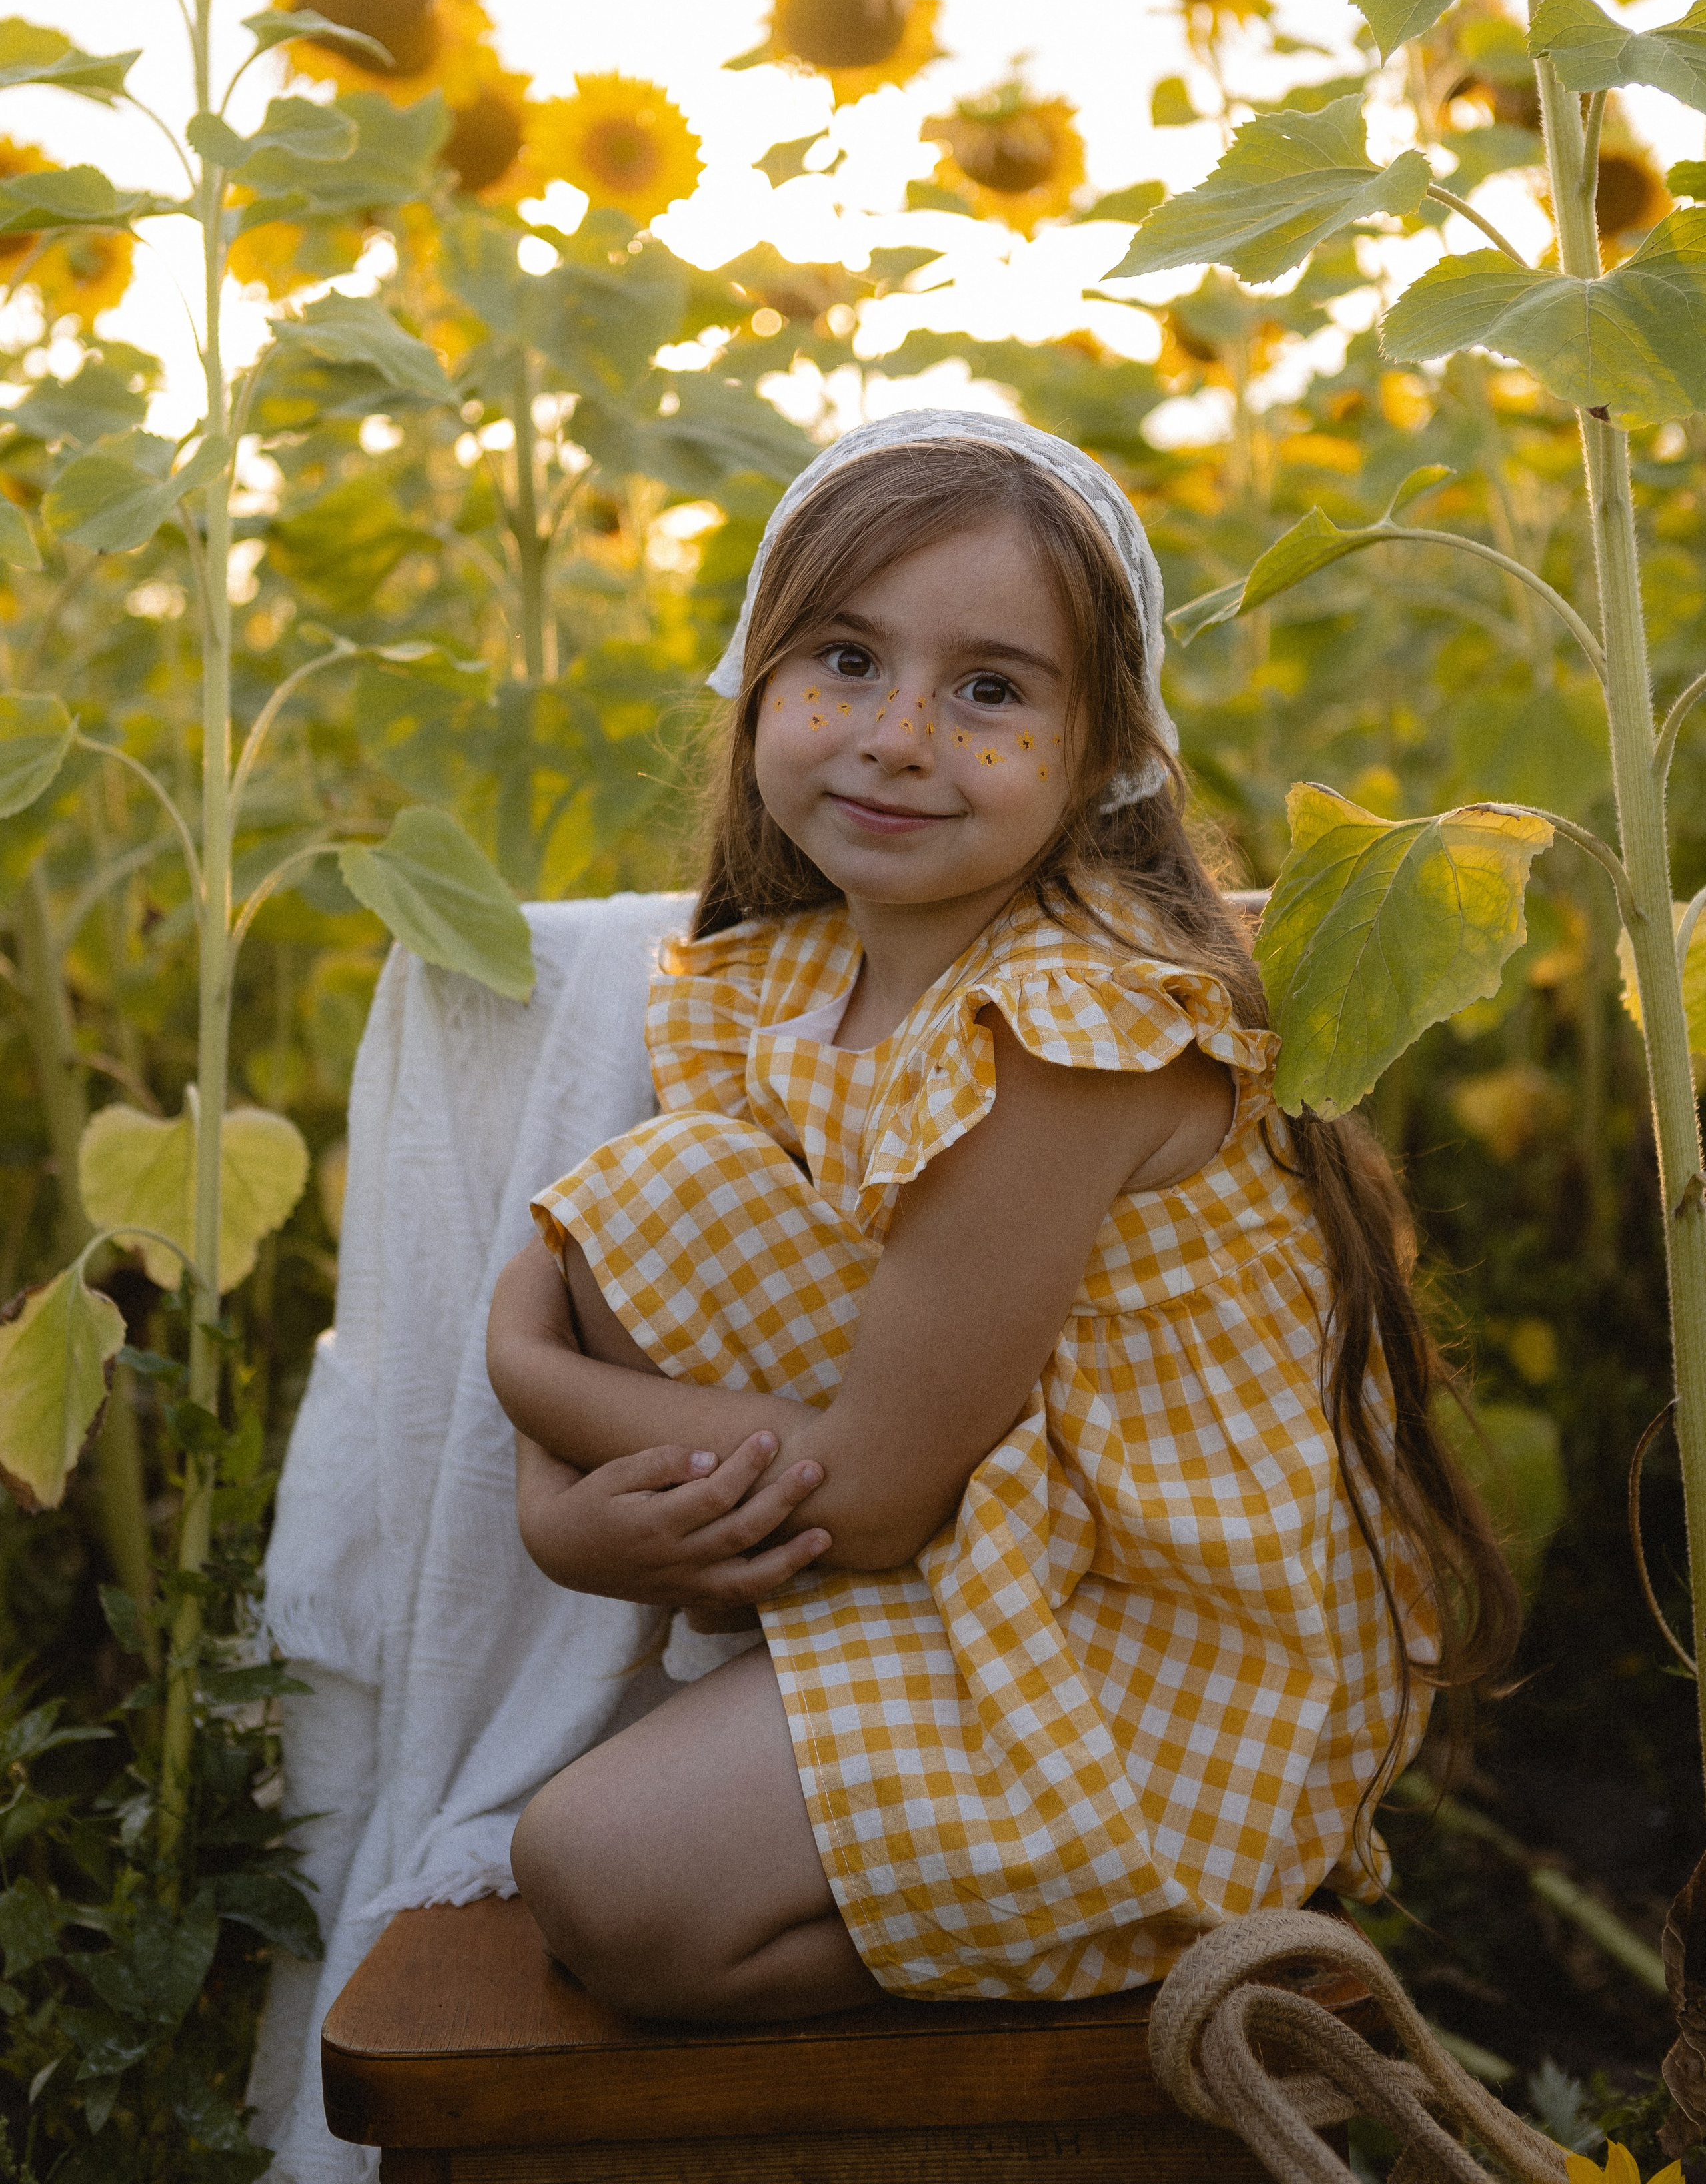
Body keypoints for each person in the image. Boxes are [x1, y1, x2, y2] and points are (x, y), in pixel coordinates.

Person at [484, 408, 1519, 2025]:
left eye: (988, 689)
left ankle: (1151, 1921)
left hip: (1153, 1658)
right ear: (754, 687)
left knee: (599, 1882)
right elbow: (673, 1280)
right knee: (667, 1194)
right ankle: (880, 1774)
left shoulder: (1064, 1031)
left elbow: (884, 1493)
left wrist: (534, 1418)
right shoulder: (810, 970)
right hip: (990, 1525)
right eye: (841, 658)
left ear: (1101, 750)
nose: (898, 735)